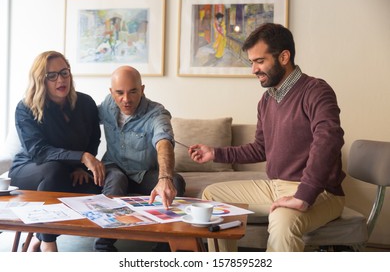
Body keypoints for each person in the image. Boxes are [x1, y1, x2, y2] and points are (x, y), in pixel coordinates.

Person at [189, 23, 345, 252]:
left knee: (282, 221)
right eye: (251, 62)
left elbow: (329, 139)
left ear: (284, 57)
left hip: (321, 192)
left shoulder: (316, 90)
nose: (253, 69)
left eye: (259, 61)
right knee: (212, 195)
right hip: (275, 186)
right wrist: (215, 153)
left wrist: (304, 195)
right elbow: (260, 148)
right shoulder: (267, 101)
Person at [9, 50, 105, 252]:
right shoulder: (25, 108)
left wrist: (81, 167)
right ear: (40, 80)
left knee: (97, 186)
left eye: (64, 72)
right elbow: (39, 151)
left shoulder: (86, 103)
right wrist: (81, 157)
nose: (60, 79)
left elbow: (93, 139)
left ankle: (39, 236)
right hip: (30, 169)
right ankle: (48, 242)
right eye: (51, 76)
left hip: (69, 170)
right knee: (54, 170)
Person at [95, 65, 186, 252]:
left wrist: (165, 179)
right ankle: (103, 247)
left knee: (176, 181)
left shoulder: (156, 113)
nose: (126, 99)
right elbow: (82, 121)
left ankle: (163, 249)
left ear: (142, 89)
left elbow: (164, 142)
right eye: (119, 93)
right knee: (116, 180)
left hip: (144, 174)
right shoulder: (106, 105)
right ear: (111, 92)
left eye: (133, 92)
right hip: (115, 168)